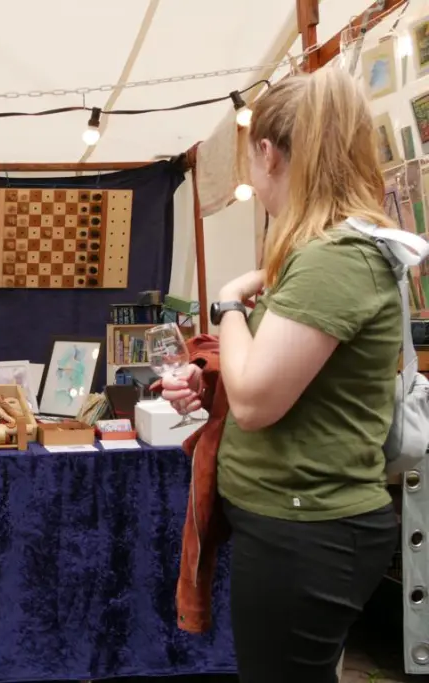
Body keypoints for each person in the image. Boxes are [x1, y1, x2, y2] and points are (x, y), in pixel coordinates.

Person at [162, 68, 400, 682]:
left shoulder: (334, 260)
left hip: (309, 529)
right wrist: (210, 377)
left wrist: (229, 304)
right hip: (296, 523)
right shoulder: (316, 255)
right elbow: (281, 380)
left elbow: (257, 401)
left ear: (268, 152)